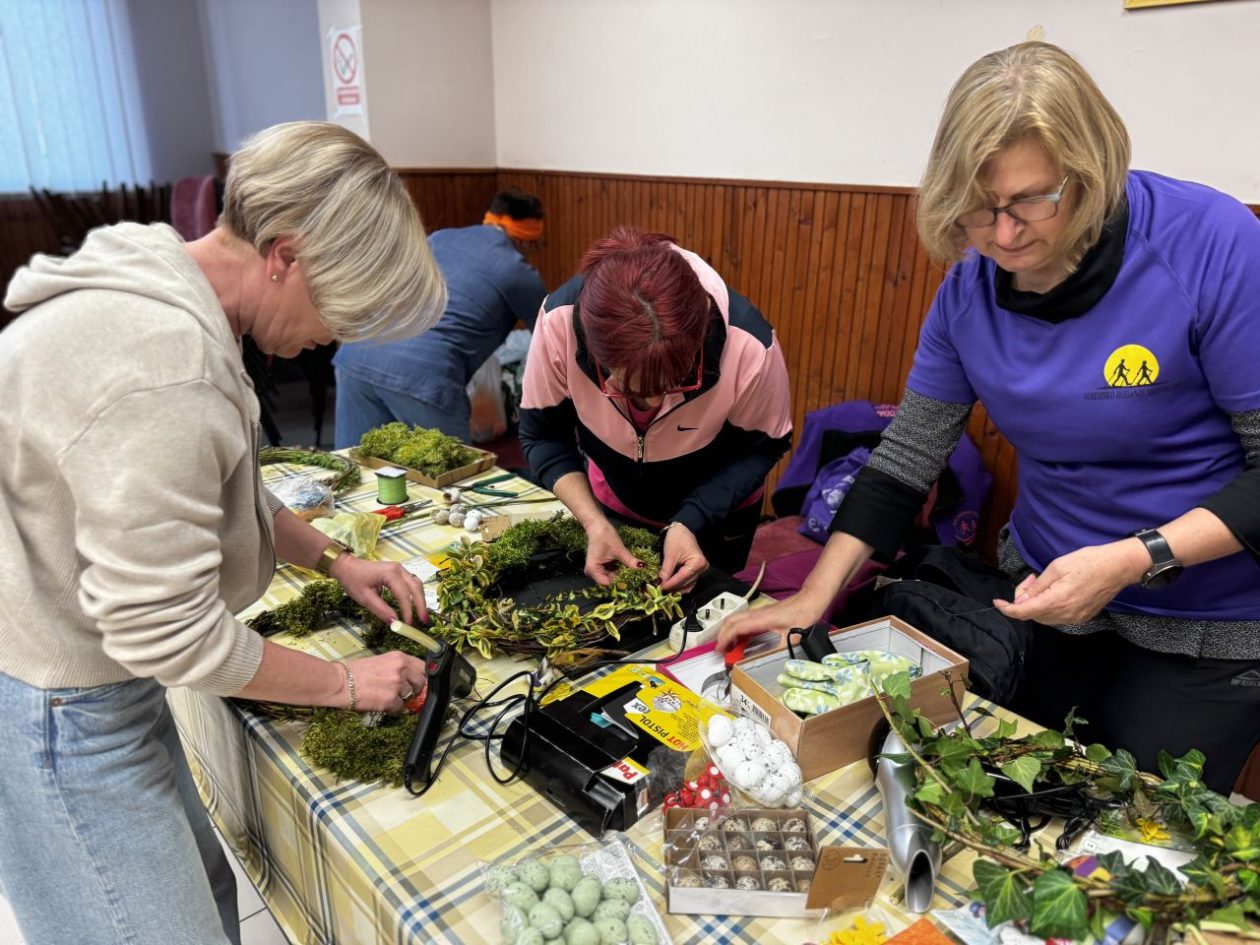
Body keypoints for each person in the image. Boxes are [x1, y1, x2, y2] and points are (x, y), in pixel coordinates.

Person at [720, 41, 1260, 795]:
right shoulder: (969, 289)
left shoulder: (1212, 244)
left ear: (1092, 170)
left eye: (1033, 200)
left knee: (1138, 820)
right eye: (981, 208)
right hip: (1049, 596)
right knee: (1027, 794)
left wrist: (1135, 557)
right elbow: (907, 455)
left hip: (1205, 621)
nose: (1004, 236)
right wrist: (814, 594)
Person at [0, 121, 448, 945]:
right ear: (285, 254)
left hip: (94, 663)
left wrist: (333, 557)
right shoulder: (165, 364)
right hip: (56, 699)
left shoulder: (172, 278)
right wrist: (347, 685)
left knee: (203, 891)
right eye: (338, 305)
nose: (334, 335)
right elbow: (175, 635)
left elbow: (218, 487)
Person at [519, 226, 793, 592]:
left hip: (717, 512)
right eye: (626, 388)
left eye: (669, 386)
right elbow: (542, 434)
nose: (649, 405)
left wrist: (690, 521)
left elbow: (762, 448)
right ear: (593, 351)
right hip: (613, 499)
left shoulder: (749, 346)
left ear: (699, 344)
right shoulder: (559, 322)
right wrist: (593, 522)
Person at [333, 187, 548, 445]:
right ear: (527, 240)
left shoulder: (439, 238)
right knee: (450, 478)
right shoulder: (519, 273)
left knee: (359, 469)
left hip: (357, 352)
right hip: (424, 374)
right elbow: (551, 343)